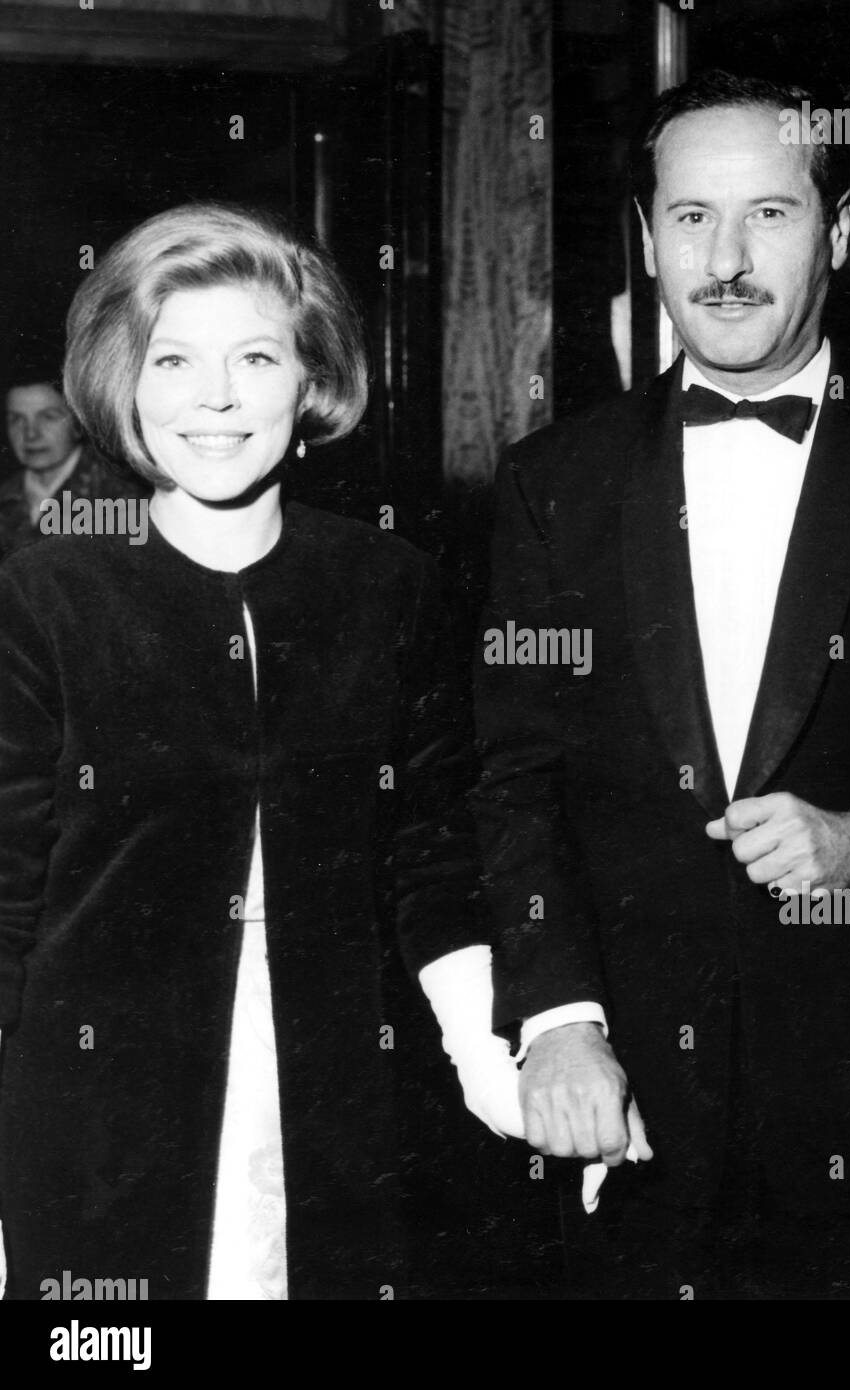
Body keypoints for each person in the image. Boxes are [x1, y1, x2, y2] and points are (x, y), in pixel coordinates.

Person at [470, 69, 850, 1298]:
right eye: (691, 218)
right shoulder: (547, 483)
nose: (726, 259)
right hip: (628, 1122)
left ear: (838, 232)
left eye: (771, 215)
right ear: (645, 238)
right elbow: (510, 781)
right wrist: (556, 1021)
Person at [0, 202, 493, 1300]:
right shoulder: (47, 593)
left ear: (309, 380)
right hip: (95, 1116)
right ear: (125, 381)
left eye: (255, 356)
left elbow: (435, 850)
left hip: (344, 1103)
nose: (214, 398)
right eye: (173, 359)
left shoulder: (390, 583)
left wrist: (494, 1055)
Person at [0, 373, 145, 560]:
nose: (30, 434)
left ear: (78, 422)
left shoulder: (120, 496)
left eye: (48, 417)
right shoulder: (5, 494)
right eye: (17, 420)